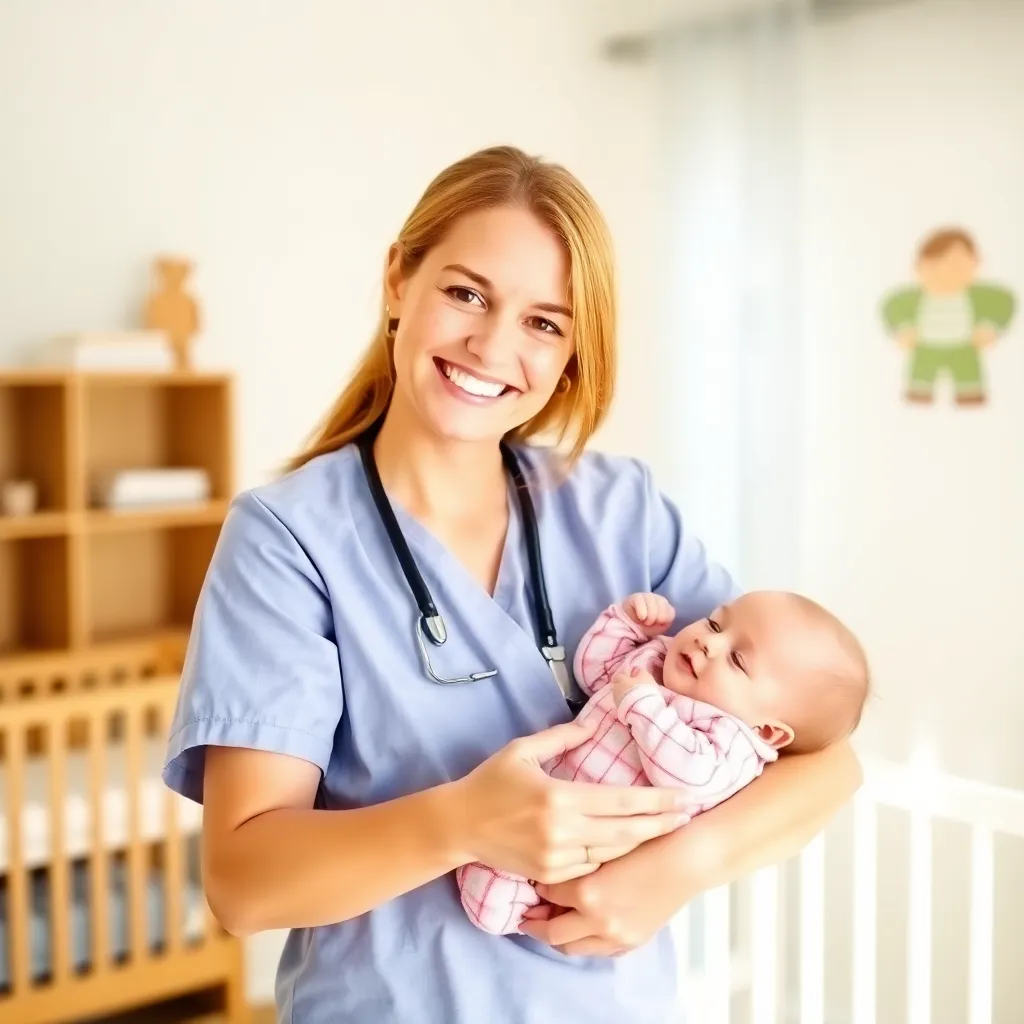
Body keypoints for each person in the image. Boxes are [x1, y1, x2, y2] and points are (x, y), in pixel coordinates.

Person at [162, 145, 862, 1024]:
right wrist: (462, 823)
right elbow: (244, 885)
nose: (492, 346)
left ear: (572, 352)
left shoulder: (621, 512)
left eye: (544, 323)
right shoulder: (289, 541)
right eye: (466, 293)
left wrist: (674, 872)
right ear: (396, 282)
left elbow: (826, 761)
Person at [457, 589, 869, 934]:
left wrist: (642, 703)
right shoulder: (663, 660)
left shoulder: (730, 741)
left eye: (738, 660)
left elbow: (687, 775)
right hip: (539, 802)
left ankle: (512, 895)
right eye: (714, 623)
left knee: (507, 894)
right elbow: (594, 671)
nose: (711, 642)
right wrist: (627, 623)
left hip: (591, 848)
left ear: (768, 731)